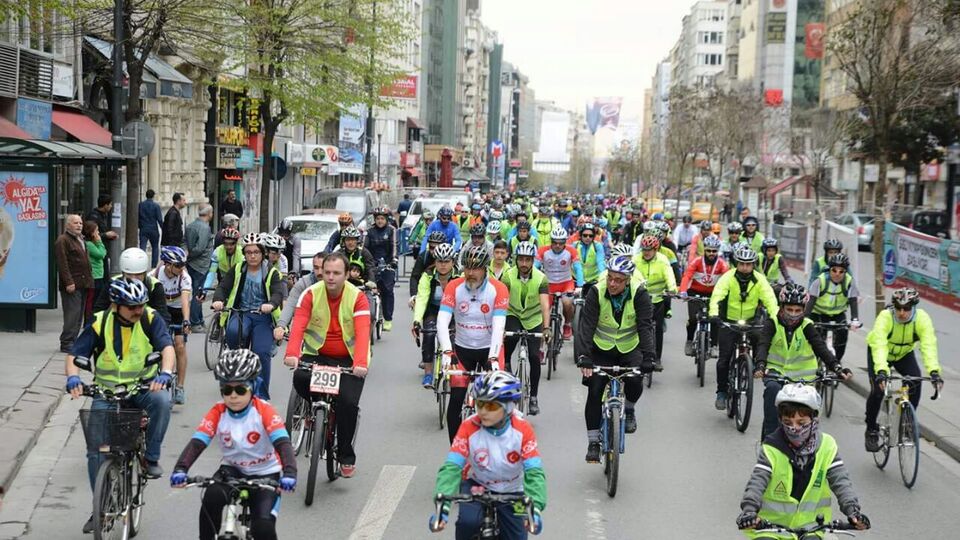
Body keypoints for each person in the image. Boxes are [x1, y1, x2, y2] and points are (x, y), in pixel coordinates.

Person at [65, 278, 174, 533]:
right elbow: (74, 355)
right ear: (115, 305)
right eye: (131, 306)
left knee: (162, 401)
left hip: (143, 388)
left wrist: (165, 373)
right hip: (106, 391)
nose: (137, 310)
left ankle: (150, 457)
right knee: (96, 450)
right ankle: (100, 507)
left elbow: (166, 347)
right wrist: (73, 377)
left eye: (140, 305)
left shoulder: (149, 317)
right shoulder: (100, 321)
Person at [171, 349, 297, 540]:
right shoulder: (218, 411)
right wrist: (181, 469)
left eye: (240, 389)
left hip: (266, 474)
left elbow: (283, 444)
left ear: (254, 387)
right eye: (226, 390)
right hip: (231, 470)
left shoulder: (264, 411)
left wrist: (289, 474)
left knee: (263, 528)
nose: (233, 396)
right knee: (211, 499)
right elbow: (198, 442)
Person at [737, 384, 869, 537]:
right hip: (771, 529)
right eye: (788, 422)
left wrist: (853, 511)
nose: (795, 428)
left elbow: (841, 481)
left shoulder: (827, 446)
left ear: (814, 418)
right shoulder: (771, 447)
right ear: (780, 420)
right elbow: (757, 481)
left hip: (812, 528)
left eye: (802, 423)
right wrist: (749, 510)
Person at [284, 251, 370, 478]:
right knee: (299, 378)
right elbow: (298, 325)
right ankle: (316, 410)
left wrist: (360, 362)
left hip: (349, 359)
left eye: (337, 273)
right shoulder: (310, 294)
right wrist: (292, 353)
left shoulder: (358, 297)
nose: (331, 277)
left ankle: (345, 454)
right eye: (327, 272)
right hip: (316, 354)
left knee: (348, 403)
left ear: (346, 275)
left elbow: (363, 333)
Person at [430, 371, 546, 539]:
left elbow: (534, 473)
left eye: (491, 406)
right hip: (477, 485)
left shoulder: (523, 430)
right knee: (467, 523)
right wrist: (443, 507)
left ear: (508, 407)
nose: (483, 411)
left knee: (518, 535)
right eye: (479, 403)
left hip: (513, 490)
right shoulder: (468, 426)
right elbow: (452, 467)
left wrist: (535, 507)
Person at [576, 255, 656, 461]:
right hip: (600, 348)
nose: (612, 283)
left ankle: (629, 408)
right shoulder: (596, 291)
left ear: (628, 280)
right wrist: (584, 356)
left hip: (630, 348)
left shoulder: (640, 294)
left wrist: (649, 357)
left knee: (635, 381)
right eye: (610, 278)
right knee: (595, 390)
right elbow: (586, 326)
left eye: (618, 280)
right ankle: (593, 442)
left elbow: (645, 327)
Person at [753, 283, 851, 441]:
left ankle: (811, 442)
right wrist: (760, 365)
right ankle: (769, 441)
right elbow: (763, 345)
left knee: (809, 410)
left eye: (798, 311)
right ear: (782, 307)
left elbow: (821, 348)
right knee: (771, 389)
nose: (793, 314)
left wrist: (837, 367)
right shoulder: (772, 323)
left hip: (803, 379)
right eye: (789, 310)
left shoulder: (807, 326)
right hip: (776, 373)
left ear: (804, 310)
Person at [437, 244, 509, 443]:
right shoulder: (454, 286)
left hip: (489, 350)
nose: (470, 273)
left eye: (475, 268)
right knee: (454, 408)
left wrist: (493, 356)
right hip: (461, 350)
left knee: (494, 404)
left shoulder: (498, 289)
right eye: (467, 268)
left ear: (485, 268)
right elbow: (442, 321)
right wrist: (447, 351)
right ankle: (457, 455)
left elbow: (499, 325)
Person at [863, 287, 944, 452]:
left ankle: (907, 421)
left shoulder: (922, 319)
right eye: (898, 308)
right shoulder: (885, 317)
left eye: (906, 308)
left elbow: (928, 346)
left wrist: (934, 372)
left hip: (903, 354)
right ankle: (871, 429)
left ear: (913, 307)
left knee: (915, 381)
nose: (901, 312)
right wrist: (881, 372)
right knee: (878, 391)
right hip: (880, 353)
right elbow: (879, 345)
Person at [211, 233, 284, 400]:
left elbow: (278, 293)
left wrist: (271, 304)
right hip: (241, 313)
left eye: (256, 252)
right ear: (244, 254)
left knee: (262, 352)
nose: (252, 255)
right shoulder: (238, 269)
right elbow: (223, 286)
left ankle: (262, 396)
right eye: (248, 252)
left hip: (262, 317)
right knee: (233, 332)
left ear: (263, 253)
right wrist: (218, 300)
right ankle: (238, 375)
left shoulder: (271, 272)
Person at [709, 245, 779, 410]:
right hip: (729, 321)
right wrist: (713, 313)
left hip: (751, 321)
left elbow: (770, 299)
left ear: (753, 264)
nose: (745, 267)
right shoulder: (727, 277)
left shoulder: (759, 279)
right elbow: (717, 295)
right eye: (741, 264)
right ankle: (721, 392)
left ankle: (754, 367)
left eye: (748, 264)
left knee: (761, 341)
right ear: (736, 264)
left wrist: (776, 319)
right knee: (723, 360)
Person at [501, 241, 550, 416]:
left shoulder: (541, 278)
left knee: (535, 356)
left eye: (527, 260)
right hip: (513, 314)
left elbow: (545, 305)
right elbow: (501, 302)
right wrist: (498, 327)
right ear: (516, 260)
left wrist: (546, 327)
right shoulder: (507, 276)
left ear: (532, 261)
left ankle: (534, 397)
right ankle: (506, 365)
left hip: (533, 318)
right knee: (509, 340)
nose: (524, 264)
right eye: (521, 259)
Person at [150, 246, 192, 404]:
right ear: (168, 265)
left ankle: (180, 386)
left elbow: (185, 301)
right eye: (179, 265)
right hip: (160, 309)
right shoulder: (154, 275)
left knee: (179, 346)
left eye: (183, 265)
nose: (182, 268)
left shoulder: (185, 277)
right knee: (158, 345)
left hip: (177, 311)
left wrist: (186, 320)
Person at [413, 243, 458, 387]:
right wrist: (417, 320)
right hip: (433, 310)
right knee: (429, 335)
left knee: (454, 338)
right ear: (435, 262)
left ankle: (452, 369)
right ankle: (428, 373)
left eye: (447, 261)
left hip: (453, 312)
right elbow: (422, 298)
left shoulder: (460, 276)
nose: (443, 265)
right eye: (440, 261)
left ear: (453, 261)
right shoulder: (428, 275)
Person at [631, 234, 676, 369]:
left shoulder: (663, 260)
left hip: (658, 298)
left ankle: (657, 359)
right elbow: (631, 275)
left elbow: (669, 275)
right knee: (637, 325)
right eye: (644, 249)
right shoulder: (636, 259)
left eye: (649, 250)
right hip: (641, 297)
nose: (646, 252)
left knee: (658, 329)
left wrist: (672, 288)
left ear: (656, 250)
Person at [806, 253, 860, 364]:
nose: (837, 274)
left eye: (841, 271)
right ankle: (814, 362)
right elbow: (811, 301)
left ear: (845, 272)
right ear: (829, 270)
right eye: (834, 270)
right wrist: (805, 318)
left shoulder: (849, 282)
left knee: (843, 335)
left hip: (838, 314)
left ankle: (836, 363)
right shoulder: (820, 281)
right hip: (818, 313)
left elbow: (853, 301)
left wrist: (855, 320)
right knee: (815, 338)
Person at [679, 235, 727, 357]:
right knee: (693, 319)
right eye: (709, 250)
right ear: (704, 250)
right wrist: (683, 291)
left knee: (715, 319)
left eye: (714, 251)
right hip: (695, 292)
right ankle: (689, 341)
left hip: (713, 294)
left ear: (718, 251)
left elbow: (728, 279)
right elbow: (687, 276)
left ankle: (714, 345)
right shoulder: (697, 262)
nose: (711, 253)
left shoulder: (722, 264)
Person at [93, 247, 170, 323]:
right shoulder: (113, 284)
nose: (133, 278)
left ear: (145, 273)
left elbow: (162, 315)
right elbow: (98, 311)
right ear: (123, 273)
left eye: (138, 275)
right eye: (129, 275)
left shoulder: (155, 286)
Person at [536, 226, 584, 341]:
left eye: (561, 243)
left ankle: (567, 324)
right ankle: (541, 347)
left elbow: (578, 268)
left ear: (565, 242)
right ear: (551, 241)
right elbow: (535, 267)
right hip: (548, 284)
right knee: (544, 310)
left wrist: (580, 285)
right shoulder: (543, 250)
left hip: (566, 283)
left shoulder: (571, 250)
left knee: (567, 303)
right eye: (555, 242)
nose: (557, 245)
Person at [55, 215, 94, 352]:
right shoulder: (63, 240)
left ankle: (73, 340)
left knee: (78, 315)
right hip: (72, 285)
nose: (79, 225)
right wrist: (68, 282)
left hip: (83, 283)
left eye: (81, 223)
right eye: (75, 223)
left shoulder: (80, 239)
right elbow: (62, 264)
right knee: (72, 314)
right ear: (68, 225)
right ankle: (66, 342)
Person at [185, 204, 214, 330]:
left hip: (191, 264)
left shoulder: (190, 225)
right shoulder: (205, 228)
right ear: (210, 213)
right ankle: (195, 322)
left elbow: (184, 242)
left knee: (197, 292)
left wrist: (187, 256)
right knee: (199, 294)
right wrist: (191, 255)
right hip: (201, 265)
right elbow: (200, 248)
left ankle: (200, 320)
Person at [85, 194, 118, 277]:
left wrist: (109, 236)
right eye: (110, 204)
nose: (111, 206)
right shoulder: (94, 216)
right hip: (96, 248)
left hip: (102, 247)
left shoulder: (103, 215)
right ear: (105, 205)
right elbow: (90, 233)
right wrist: (106, 235)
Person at [83, 220, 107, 325]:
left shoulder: (92, 244)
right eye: (96, 231)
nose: (98, 233)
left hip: (98, 275)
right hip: (94, 276)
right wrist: (99, 242)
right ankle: (88, 320)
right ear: (91, 233)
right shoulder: (89, 244)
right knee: (92, 300)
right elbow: (101, 254)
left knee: (96, 299)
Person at [203, 228, 242, 292]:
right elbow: (212, 272)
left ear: (236, 243)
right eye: (225, 243)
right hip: (224, 279)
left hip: (238, 280)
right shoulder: (218, 252)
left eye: (232, 243)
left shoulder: (241, 252)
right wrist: (205, 290)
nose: (228, 246)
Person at [573, 222, 606, 297]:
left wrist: (603, 279)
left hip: (592, 280)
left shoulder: (597, 246)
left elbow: (600, 263)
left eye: (590, 236)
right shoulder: (574, 245)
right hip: (576, 278)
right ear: (580, 236)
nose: (588, 238)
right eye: (585, 235)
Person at [138, 189, 164, 267]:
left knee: (142, 247)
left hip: (144, 228)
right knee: (155, 248)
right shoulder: (156, 206)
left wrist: (140, 226)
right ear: (153, 196)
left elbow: (137, 217)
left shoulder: (141, 205)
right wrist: (163, 228)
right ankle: (153, 266)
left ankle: (141, 265)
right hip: (153, 229)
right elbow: (159, 219)